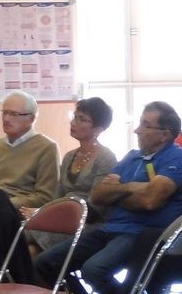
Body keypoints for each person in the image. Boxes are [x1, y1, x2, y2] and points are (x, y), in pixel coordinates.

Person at [34, 101, 182, 294]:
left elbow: (150, 201)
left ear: (165, 133)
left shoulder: (177, 157)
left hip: (142, 233)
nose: (137, 130)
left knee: (94, 269)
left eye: (146, 125)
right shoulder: (132, 157)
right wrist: (133, 189)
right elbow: (98, 196)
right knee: (46, 262)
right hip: (110, 228)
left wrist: (120, 189)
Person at [21, 97, 117, 253]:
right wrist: (43, 212)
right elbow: (57, 196)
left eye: (82, 119)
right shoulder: (69, 156)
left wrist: (46, 215)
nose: (73, 122)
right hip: (60, 220)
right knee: (21, 242)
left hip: (86, 225)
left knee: (21, 238)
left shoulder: (106, 158)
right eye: (74, 116)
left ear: (98, 129)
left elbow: (97, 207)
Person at [0, 90, 59, 208]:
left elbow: (45, 197)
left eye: (13, 114)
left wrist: (5, 204)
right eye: (4, 113)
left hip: (18, 210)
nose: (6, 119)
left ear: (31, 118)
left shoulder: (47, 147)